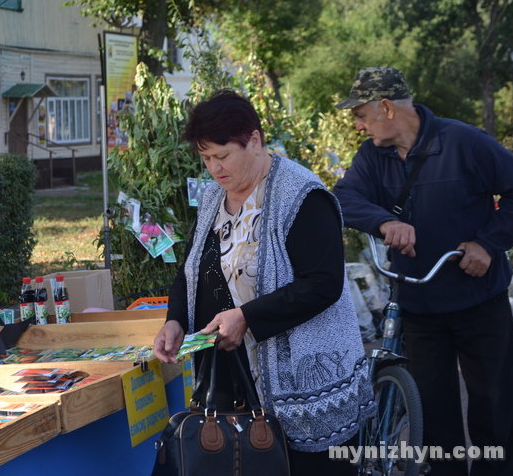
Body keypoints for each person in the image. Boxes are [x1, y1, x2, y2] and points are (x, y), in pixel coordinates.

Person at [152, 90, 375, 475]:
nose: (214, 168)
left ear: (254, 140)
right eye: (206, 158)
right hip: (232, 380)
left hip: (303, 389)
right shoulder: (211, 198)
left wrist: (247, 318)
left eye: (222, 156)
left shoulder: (302, 195)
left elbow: (322, 284)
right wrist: (175, 319)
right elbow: (191, 270)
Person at [332, 67, 513, 476]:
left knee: (495, 405)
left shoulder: (464, 142)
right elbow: (344, 197)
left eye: (361, 114)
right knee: (434, 415)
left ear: (386, 107)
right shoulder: (372, 156)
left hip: (478, 299)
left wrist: (488, 244)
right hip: (417, 306)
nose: (357, 124)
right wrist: (384, 221)